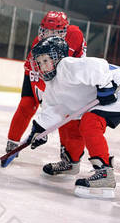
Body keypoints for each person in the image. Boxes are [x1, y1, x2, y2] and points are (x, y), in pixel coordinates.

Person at [25, 36, 120, 199]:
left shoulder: (66, 65)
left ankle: (105, 174)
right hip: (98, 95)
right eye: (40, 62)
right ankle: (70, 162)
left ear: (58, 57)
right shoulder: (52, 85)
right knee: (68, 120)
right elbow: (53, 111)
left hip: (119, 90)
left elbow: (98, 66)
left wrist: (106, 87)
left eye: (46, 60)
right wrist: (39, 131)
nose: (43, 66)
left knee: (90, 122)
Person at [5, 11, 87, 176]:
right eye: (45, 31)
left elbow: (60, 72)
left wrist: (44, 127)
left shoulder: (74, 36)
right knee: (27, 104)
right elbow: (37, 74)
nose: (47, 36)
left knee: (68, 116)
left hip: (71, 77)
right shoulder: (38, 44)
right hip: (46, 75)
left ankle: (71, 160)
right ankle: (12, 145)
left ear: (63, 32)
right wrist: (42, 126)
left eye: (53, 32)